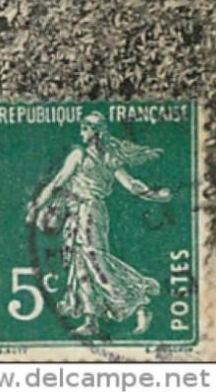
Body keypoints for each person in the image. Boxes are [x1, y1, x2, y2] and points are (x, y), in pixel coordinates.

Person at [26, 112, 170, 338]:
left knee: (94, 260)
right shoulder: (107, 156)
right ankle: (91, 320)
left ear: (95, 132)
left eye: (85, 129)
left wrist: (36, 206)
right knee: (81, 263)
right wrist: (154, 194)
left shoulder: (81, 154)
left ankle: (139, 304)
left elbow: (57, 183)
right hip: (83, 211)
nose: (81, 133)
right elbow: (132, 185)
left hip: (88, 212)